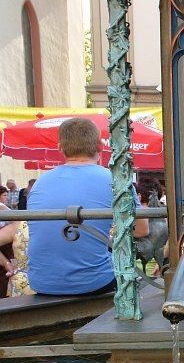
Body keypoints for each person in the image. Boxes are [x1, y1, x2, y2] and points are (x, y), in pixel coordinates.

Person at [27, 117, 149, 296]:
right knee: (143, 283)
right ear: (100, 145)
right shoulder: (115, 180)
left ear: (60, 147)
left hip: (41, 282)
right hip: (94, 282)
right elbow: (141, 230)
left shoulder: (40, 182)